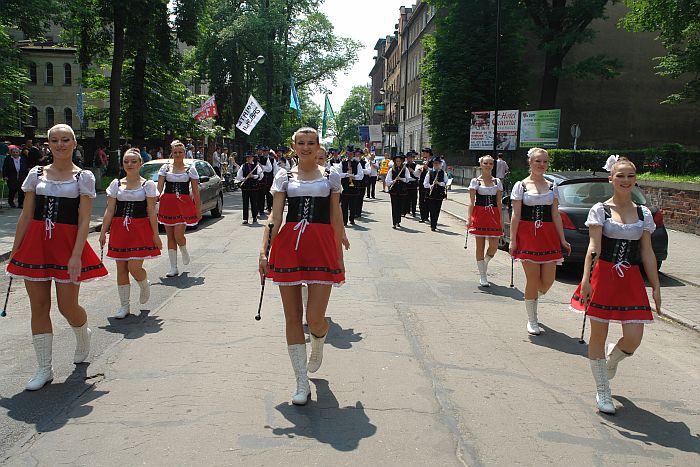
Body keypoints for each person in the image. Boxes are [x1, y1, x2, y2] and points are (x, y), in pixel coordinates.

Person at [7, 124, 107, 391]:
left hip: (66, 244)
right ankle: (44, 368)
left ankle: (82, 332)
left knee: (67, 307)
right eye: (54, 140)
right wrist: (15, 251)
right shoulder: (36, 173)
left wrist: (76, 255)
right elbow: (26, 215)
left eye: (65, 140)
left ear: (74, 143)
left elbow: (85, 219)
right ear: (48, 144)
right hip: (36, 244)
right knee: (38, 307)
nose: (60, 144)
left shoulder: (82, 177)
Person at [259, 127, 347, 406]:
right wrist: (264, 251)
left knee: (316, 316)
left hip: (321, 246)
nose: (306, 147)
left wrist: (339, 251)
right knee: (293, 317)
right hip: (290, 247)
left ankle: (319, 340)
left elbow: (335, 215)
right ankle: (300, 381)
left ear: (318, 146)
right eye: (301, 143)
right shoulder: (284, 176)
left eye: (311, 143)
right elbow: (275, 215)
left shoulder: (331, 177)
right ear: (293, 146)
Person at [570, 157, 660, 415]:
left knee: (634, 338)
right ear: (611, 178)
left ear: (635, 179)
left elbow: (647, 252)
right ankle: (602, 390)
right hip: (604, 276)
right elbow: (593, 247)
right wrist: (586, 280)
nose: (625, 180)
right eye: (620, 175)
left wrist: (655, 286)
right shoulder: (601, 210)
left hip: (630, 279)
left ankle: (614, 359)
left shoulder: (643, 213)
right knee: (599, 334)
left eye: (630, 176)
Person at [509, 148, 571, 335]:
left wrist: (562, 239)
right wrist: (512, 240)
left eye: (544, 161)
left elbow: (556, 215)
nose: (541, 165)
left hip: (548, 235)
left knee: (548, 281)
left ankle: (532, 299)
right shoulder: (521, 185)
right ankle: (532, 319)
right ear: (530, 162)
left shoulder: (552, 186)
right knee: (533, 279)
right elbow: (516, 214)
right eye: (538, 161)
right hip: (528, 235)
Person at [99, 148, 162, 319]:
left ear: (140, 163)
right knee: (121, 268)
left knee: (134, 267)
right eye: (126, 161)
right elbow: (110, 209)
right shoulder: (116, 184)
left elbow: (151, 211)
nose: (129, 164)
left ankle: (143, 283)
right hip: (120, 229)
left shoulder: (147, 185)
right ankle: (124, 305)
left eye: (133, 161)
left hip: (140, 229)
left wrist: (156, 235)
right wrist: (103, 232)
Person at [157, 140, 202, 277]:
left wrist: (198, 209)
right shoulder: (165, 168)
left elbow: (195, 191)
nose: (178, 154)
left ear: (184, 153)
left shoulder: (190, 169)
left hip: (183, 204)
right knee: (169, 236)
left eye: (180, 152)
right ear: (172, 153)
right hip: (167, 203)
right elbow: (159, 189)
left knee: (178, 235)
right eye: (175, 152)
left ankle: (183, 249)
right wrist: (151, 202)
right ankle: (173, 267)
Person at [467, 155, 503, 286]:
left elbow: (499, 203)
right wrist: (469, 219)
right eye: (486, 163)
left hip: (493, 214)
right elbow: (471, 202)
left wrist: (501, 220)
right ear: (481, 165)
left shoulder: (497, 181)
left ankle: (485, 263)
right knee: (480, 245)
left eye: (490, 164)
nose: (488, 166)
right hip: (480, 214)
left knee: (494, 245)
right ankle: (483, 276)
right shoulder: (475, 181)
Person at [236, 151, 263, 224]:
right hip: (245, 187)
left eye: (250, 157)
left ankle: (254, 217)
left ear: (253, 158)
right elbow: (239, 176)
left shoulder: (257, 166)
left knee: (254, 203)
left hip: (254, 187)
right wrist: (243, 178)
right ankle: (245, 218)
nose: (249, 159)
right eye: (247, 157)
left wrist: (253, 176)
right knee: (245, 203)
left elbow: (260, 176)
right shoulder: (243, 166)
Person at [385, 153, 410, 229]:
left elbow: (408, 179)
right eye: (397, 161)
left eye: (399, 161)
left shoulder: (405, 169)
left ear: (402, 162)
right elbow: (387, 181)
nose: (398, 162)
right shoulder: (391, 170)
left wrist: (401, 179)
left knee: (400, 206)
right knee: (394, 206)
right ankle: (394, 222)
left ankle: (398, 221)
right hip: (394, 190)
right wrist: (393, 181)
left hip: (402, 190)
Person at [424, 157, 448, 232]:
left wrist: (439, 183)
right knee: (432, 209)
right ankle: (432, 225)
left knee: (437, 210)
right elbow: (425, 184)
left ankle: (435, 223)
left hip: (439, 194)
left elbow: (446, 183)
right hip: (431, 194)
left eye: (438, 164)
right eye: (435, 163)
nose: (436, 165)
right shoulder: (430, 172)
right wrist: (431, 185)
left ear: (440, 164)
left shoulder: (442, 172)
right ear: (433, 164)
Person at [338, 146, 360, 226]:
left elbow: (360, 175)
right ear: (346, 154)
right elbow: (339, 174)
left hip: (354, 187)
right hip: (345, 187)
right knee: (344, 205)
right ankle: (344, 221)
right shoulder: (342, 163)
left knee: (353, 205)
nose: (350, 155)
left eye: (351, 154)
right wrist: (347, 174)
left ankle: (352, 219)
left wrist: (354, 176)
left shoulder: (357, 163)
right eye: (348, 153)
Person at [416, 149, 431, 223]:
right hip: (421, 182)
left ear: (428, 154)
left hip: (429, 183)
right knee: (421, 200)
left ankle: (426, 216)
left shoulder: (432, 161)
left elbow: (433, 171)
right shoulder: (421, 161)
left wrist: (427, 167)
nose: (423, 154)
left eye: (424, 153)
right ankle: (422, 217)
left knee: (427, 200)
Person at [404, 151, 419, 217]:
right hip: (407, 183)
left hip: (413, 183)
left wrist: (412, 171)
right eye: (408, 158)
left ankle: (413, 211)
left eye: (411, 158)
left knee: (414, 198)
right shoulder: (404, 165)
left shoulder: (416, 165)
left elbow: (417, 175)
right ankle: (407, 210)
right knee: (406, 198)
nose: (409, 159)